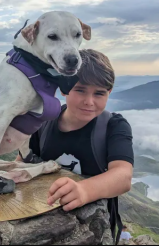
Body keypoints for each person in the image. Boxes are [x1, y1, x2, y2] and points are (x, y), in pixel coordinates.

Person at [16, 49, 134, 244]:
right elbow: (23, 163)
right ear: (64, 87)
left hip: (95, 229)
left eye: (99, 93)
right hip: (44, 225)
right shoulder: (43, 123)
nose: (89, 101)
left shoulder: (114, 126)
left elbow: (123, 176)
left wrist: (84, 190)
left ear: (109, 93)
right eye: (80, 90)